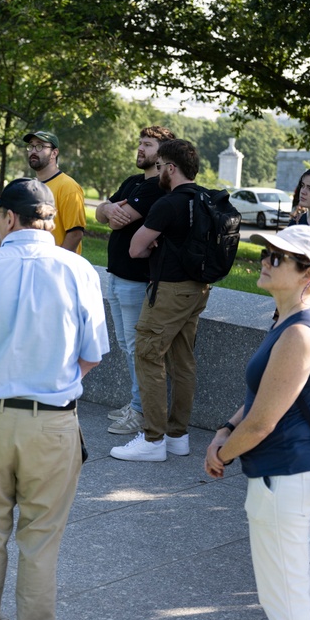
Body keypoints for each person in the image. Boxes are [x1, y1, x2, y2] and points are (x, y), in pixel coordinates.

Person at [0, 177, 108, 620]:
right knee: (40, 541)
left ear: (10, 217)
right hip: (53, 422)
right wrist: (51, 378)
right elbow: (93, 354)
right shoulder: (79, 271)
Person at [205, 225, 310, 620]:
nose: (265, 260)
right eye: (267, 252)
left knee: (287, 599)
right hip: (284, 473)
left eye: (278, 257)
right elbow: (261, 400)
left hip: (285, 475)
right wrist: (224, 431)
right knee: (284, 594)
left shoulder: (301, 332)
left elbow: (264, 421)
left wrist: (222, 454)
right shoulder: (289, 319)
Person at [112, 139, 209, 461]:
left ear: (170, 168)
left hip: (168, 289)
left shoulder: (169, 203)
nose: (157, 174)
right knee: (183, 362)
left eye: (160, 167)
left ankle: (153, 439)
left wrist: (153, 246)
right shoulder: (205, 198)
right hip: (197, 289)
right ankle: (177, 436)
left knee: (147, 355)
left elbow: (135, 248)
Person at [95, 126, 175, 435]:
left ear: (163, 153)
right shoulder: (132, 182)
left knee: (136, 347)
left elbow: (118, 217)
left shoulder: (157, 186)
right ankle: (136, 404)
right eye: (140, 143)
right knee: (127, 346)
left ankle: (141, 411)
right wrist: (107, 208)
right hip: (117, 276)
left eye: (148, 144)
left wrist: (110, 209)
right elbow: (101, 215)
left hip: (136, 281)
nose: (140, 148)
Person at [22, 130, 85, 254]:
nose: (33, 151)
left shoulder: (68, 187)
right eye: (31, 146)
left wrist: (55, 262)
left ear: (54, 153)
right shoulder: (31, 186)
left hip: (55, 267)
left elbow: (75, 234)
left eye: (40, 146)